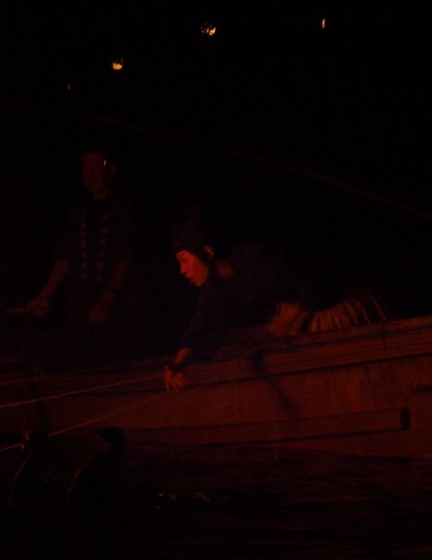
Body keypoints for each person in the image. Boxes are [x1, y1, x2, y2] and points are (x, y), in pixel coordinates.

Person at [163, 207, 312, 392]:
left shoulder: (253, 258)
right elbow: (200, 325)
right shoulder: (214, 288)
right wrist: (178, 363)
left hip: (321, 306)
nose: (182, 270)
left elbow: (307, 283)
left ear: (208, 253)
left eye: (184, 260)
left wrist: (289, 317)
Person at [25, 144, 142, 367]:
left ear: (111, 171)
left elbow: (124, 257)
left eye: (97, 168)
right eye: (85, 169)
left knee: (114, 365)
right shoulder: (79, 210)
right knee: (81, 361)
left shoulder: (122, 207)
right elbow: (65, 257)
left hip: (116, 305)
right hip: (81, 304)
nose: (90, 175)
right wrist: (44, 296)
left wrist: (107, 299)